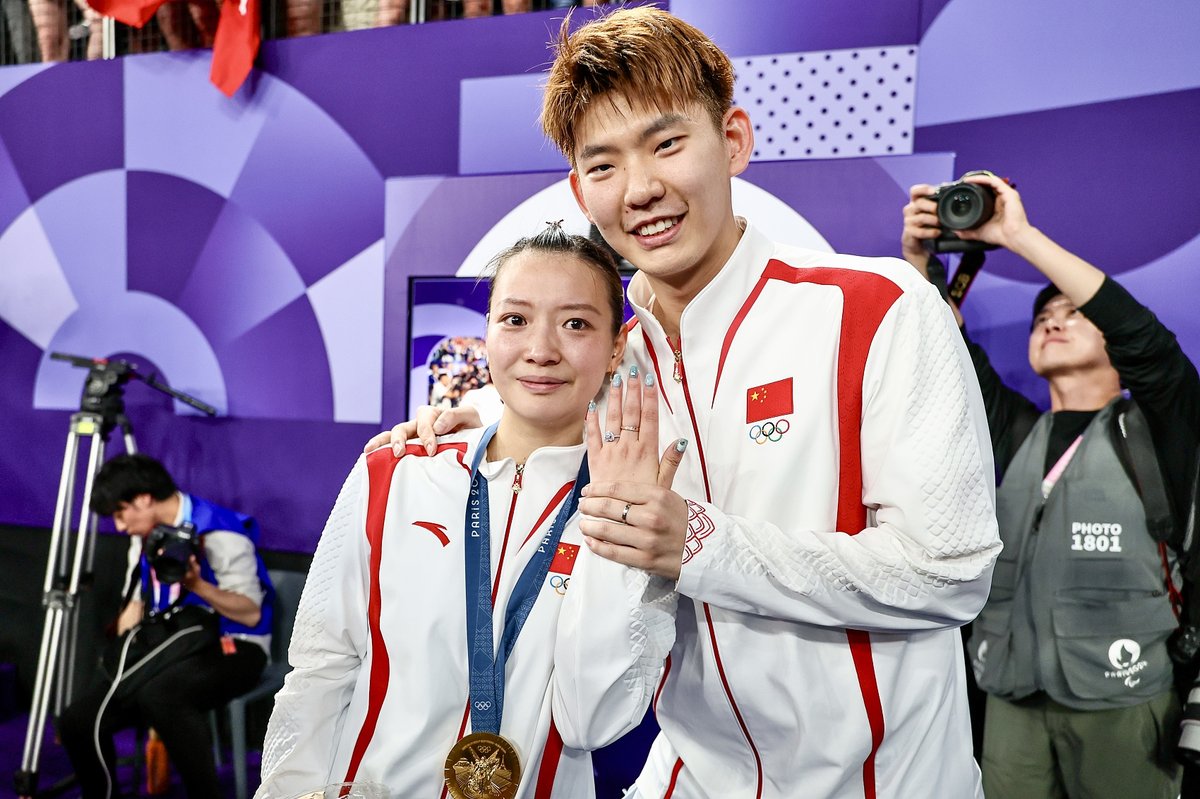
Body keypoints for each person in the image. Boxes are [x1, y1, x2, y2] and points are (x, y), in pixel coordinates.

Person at [369, 8, 1001, 797]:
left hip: (885, 782)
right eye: (603, 165)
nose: (641, 189)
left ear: (732, 139)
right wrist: (487, 432)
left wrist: (698, 543)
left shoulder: (877, 307)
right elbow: (598, 698)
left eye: (667, 144)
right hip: (692, 776)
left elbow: (950, 571)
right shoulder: (615, 368)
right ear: (578, 188)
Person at [256, 225, 681, 798]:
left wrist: (616, 528)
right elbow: (320, 667)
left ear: (614, 350)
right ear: (485, 336)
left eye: (576, 323)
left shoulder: (634, 509)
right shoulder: (394, 473)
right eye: (515, 319)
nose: (541, 349)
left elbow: (594, 720)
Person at [903, 174, 1200, 798]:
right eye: (1044, 314)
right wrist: (919, 263)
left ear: (1112, 343)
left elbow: (1149, 346)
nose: (1054, 320)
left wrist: (1017, 236)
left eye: (1074, 312)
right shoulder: (1013, 433)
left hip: (1124, 698)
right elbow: (940, 345)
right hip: (1009, 693)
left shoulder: (1160, 428)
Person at [57, 453, 272, 799]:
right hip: (169, 641)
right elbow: (138, 604)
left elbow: (250, 614)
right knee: (77, 720)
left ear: (143, 499)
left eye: (119, 514)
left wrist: (197, 585)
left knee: (160, 695)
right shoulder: (146, 536)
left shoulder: (219, 530)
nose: (121, 526)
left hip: (235, 644)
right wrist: (119, 657)